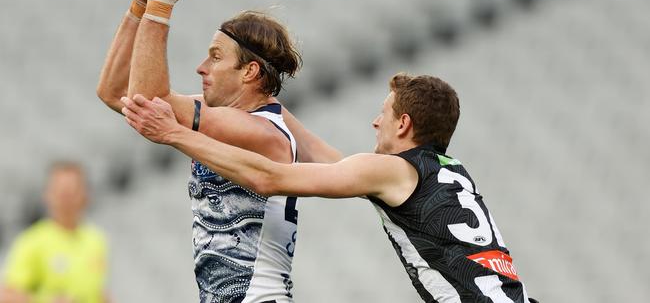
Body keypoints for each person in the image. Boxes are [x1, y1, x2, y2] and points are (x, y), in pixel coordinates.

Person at [121, 73, 537, 303]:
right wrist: (269, 110)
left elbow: (269, 178)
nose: (376, 122)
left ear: (404, 124)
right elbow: (335, 162)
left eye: (383, 113)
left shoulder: (391, 171)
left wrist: (174, 135)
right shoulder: (449, 171)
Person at [96, 0, 340, 301]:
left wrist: (161, 3)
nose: (201, 67)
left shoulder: (261, 131)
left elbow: (150, 99)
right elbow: (116, 92)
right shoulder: (251, 119)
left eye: (215, 57)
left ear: (249, 72)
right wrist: (141, 2)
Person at [0, 162, 110, 303]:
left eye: (72, 191)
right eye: (61, 192)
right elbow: (6, 297)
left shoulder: (96, 240)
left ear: (85, 195)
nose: (66, 199)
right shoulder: (31, 241)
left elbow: (97, 291)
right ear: (47, 195)